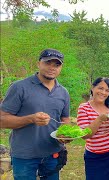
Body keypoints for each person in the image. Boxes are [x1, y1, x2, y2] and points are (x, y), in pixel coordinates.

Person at [0, 48, 70, 180]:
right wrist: (30, 119)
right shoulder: (19, 87)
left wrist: (66, 135)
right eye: (48, 63)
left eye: (57, 64)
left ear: (61, 67)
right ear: (39, 64)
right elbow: (2, 120)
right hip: (24, 156)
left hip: (52, 153)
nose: (52, 68)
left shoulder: (63, 92)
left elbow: (64, 119)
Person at [77, 77, 109, 180]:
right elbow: (85, 135)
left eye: (107, 90)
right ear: (92, 88)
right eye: (100, 88)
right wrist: (99, 119)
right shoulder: (84, 108)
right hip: (95, 156)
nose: (103, 92)